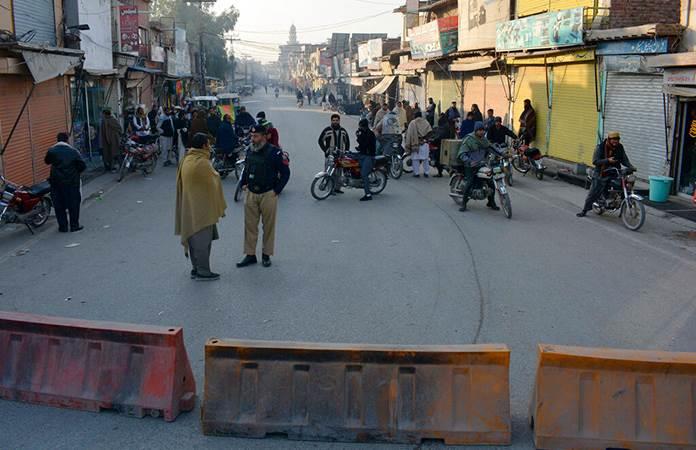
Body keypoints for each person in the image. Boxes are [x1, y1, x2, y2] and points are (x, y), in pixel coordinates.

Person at [237, 124, 290, 268]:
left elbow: (286, 173)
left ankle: (266, 255)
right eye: (251, 136)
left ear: (264, 136)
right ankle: (250, 255)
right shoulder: (250, 150)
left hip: (268, 193)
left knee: (268, 227)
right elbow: (246, 168)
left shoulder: (275, 153)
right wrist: (243, 184)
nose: (252, 139)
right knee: (250, 227)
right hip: (251, 193)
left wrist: (276, 190)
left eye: (256, 136)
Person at [175, 133, 227, 281]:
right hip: (202, 209)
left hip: (190, 207)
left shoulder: (188, 159)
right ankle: (203, 271)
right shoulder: (202, 162)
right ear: (204, 145)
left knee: (193, 241)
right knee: (203, 242)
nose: (210, 147)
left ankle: (196, 268)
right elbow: (214, 179)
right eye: (208, 144)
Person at [577, 131, 635, 217]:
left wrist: (631, 167)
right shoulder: (600, 147)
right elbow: (595, 161)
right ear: (609, 139)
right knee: (594, 192)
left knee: (624, 185)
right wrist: (607, 160)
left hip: (614, 171)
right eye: (613, 139)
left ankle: (621, 204)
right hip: (601, 172)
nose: (615, 141)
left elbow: (624, 159)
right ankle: (584, 210)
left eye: (617, 139)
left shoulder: (620, 147)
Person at [44, 132, 86, 232]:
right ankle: (74, 225)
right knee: (74, 203)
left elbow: (47, 161)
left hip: (56, 182)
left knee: (59, 205)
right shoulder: (73, 151)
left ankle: (63, 227)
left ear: (57, 140)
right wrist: (75, 172)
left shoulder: (52, 151)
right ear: (67, 140)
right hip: (72, 182)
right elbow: (82, 165)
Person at [457, 122, 500, 212]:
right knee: (470, 183)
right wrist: (469, 161)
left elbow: (491, 148)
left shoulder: (484, 140)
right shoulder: (469, 139)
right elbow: (462, 153)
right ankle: (464, 204)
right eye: (480, 130)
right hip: (470, 165)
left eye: (483, 130)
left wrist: (502, 153)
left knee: (491, 182)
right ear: (476, 130)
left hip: (481, 164)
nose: (482, 132)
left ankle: (491, 202)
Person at [318, 114, 350, 193]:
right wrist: (326, 150)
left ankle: (337, 188)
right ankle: (330, 190)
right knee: (329, 172)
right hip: (330, 155)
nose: (335, 122)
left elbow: (347, 142)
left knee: (338, 172)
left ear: (339, 121)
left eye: (337, 120)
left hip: (340, 156)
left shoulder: (343, 131)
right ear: (331, 121)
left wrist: (346, 151)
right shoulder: (327, 130)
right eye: (334, 120)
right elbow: (320, 141)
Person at [404, 111, 433, 178]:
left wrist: (408, 144)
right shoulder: (426, 122)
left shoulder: (413, 123)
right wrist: (425, 139)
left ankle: (416, 173)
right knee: (425, 159)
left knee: (415, 159)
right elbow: (430, 132)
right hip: (425, 143)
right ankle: (426, 172)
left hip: (415, 144)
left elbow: (409, 134)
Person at [355, 118, 376, 201]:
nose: (359, 128)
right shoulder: (363, 132)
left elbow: (364, 144)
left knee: (364, 174)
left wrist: (358, 136)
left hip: (369, 156)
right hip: (362, 154)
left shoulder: (370, 134)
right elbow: (361, 145)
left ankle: (368, 194)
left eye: (360, 126)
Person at [99, 108, 122, 172]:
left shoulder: (108, 120)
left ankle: (113, 167)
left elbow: (119, 129)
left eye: (103, 114)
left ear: (105, 114)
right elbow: (119, 129)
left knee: (112, 154)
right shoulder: (107, 120)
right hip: (109, 140)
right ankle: (111, 166)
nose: (102, 115)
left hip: (112, 140)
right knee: (110, 154)